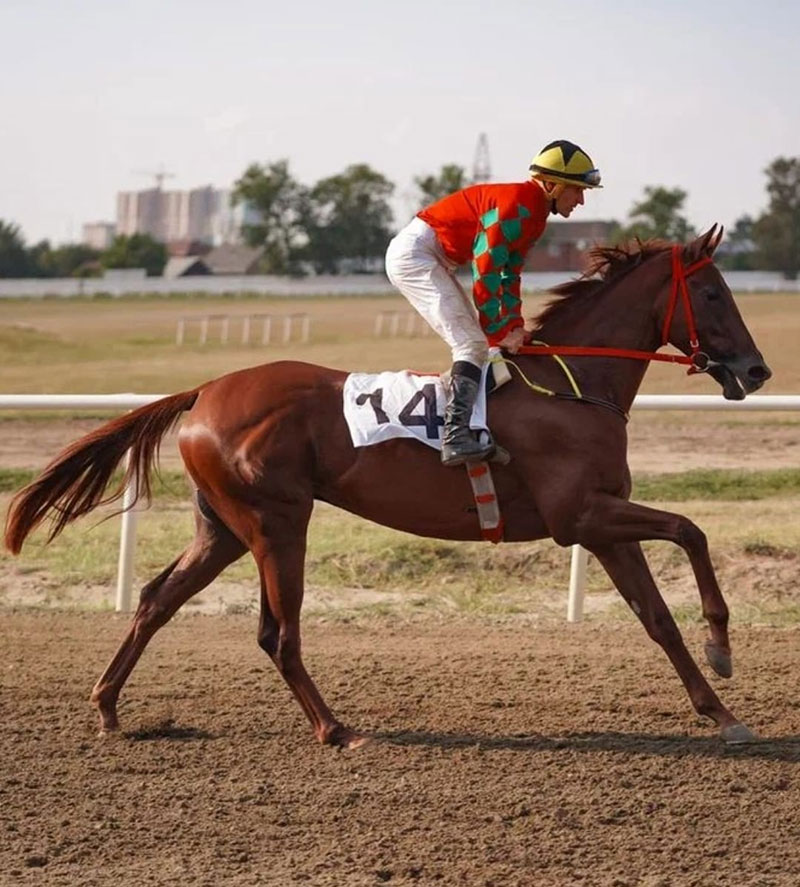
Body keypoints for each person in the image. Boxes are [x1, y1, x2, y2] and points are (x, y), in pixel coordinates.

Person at [385, 139, 602, 466]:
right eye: (576, 190)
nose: (581, 200)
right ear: (551, 185)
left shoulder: (535, 214)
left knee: (479, 344)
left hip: (433, 256)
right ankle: (455, 438)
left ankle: (472, 426)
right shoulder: (516, 204)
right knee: (472, 344)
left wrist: (514, 324)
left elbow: (509, 274)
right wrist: (498, 332)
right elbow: (485, 270)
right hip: (415, 255)